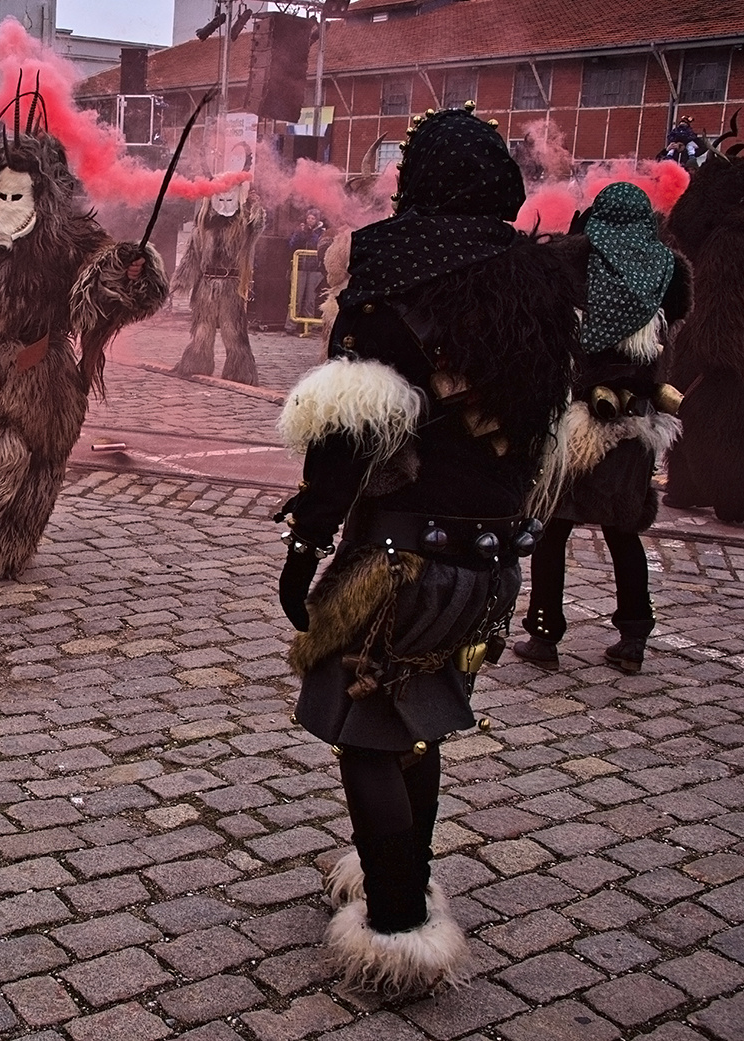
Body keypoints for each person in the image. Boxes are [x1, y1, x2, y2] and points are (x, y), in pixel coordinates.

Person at [275, 103, 581, 997]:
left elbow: (345, 426)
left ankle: (399, 924)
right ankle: (398, 879)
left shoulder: (386, 265)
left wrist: (306, 542)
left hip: (396, 561)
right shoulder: (535, 277)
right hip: (488, 566)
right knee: (416, 722)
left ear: (418, 183)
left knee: (367, 735)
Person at [0, 82, 168, 578]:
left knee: (42, 464)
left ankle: (6, 549)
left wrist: (131, 271)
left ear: (45, 196)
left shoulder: (74, 239)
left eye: (20, 195)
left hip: (48, 372)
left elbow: (102, 281)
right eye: (1, 193)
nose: (8, 204)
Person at [515, 182, 691, 676]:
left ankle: (544, 637)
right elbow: (674, 318)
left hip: (576, 416)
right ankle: (633, 638)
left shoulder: (572, 256)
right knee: (622, 530)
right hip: (636, 419)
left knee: (552, 529)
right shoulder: (670, 267)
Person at [661, 135, 744, 523]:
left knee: (718, 413)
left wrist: (715, 352)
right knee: (688, 409)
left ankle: (741, 495)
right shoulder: (743, 230)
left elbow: (727, 301)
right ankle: (687, 487)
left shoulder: (734, 237)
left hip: (718, 342)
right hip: (721, 340)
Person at [172, 156, 265, 384]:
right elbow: (192, 256)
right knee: (202, 329)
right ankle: (197, 362)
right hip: (205, 286)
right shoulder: (203, 227)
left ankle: (240, 370)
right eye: (219, 199)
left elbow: (257, 225)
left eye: (229, 199)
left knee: (234, 331)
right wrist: (180, 282)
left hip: (231, 287)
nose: (224, 204)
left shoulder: (242, 225)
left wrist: (254, 204)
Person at [286, 209, 327, 332]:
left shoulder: (322, 232)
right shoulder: (300, 230)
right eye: (308, 218)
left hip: (314, 268)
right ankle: (290, 326)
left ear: (317, 220)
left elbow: (319, 245)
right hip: (300, 266)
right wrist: (300, 234)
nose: (310, 221)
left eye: (313, 218)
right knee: (296, 297)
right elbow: (291, 245)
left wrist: (311, 234)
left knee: (310, 299)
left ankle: (309, 326)